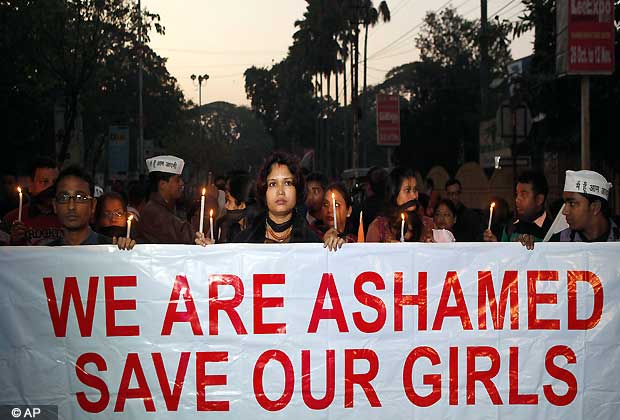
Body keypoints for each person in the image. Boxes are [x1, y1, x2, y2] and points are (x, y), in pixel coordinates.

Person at [223, 151, 321, 244]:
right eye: (273, 184)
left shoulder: (312, 243)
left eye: (287, 183)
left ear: (297, 189)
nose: (280, 191)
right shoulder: (243, 241)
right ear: (264, 191)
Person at [49, 166, 134, 249]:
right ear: (55, 205)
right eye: (64, 198)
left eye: (80, 197)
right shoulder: (45, 254)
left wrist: (126, 252)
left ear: (93, 205)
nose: (71, 206)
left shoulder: (110, 248)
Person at [135, 155, 201, 244]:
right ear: (162, 184)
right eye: (177, 180)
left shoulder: (162, 207)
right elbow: (188, 235)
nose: (182, 183)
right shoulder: (154, 213)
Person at [3, 157, 63, 245]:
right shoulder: (11, 219)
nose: (51, 187)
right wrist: (13, 241)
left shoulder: (67, 217)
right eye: (44, 181)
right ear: (31, 185)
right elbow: (4, 255)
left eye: (55, 182)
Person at [483, 171, 552, 244]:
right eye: (517, 194)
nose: (517, 199)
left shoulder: (552, 231)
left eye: (523, 195)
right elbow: (504, 254)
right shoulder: (511, 227)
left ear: (539, 199)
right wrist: (495, 246)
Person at [551, 170, 618, 242]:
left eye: (572, 204)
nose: (564, 211)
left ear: (595, 207)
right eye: (565, 203)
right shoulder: (559, 243)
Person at [366, 167, 421, 243]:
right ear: (393, 193)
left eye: (415, 190)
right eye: (407, 190)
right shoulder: (378, 227)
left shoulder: (427, 224)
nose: (414, 196)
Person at [216, 172, 255, 243]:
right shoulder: (230, 227)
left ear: (242, 205)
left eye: (229, 201)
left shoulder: (261, 231)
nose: (226, 206)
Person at [320, 182, 357, 250]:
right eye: (325, 204)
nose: (329, 210)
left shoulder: (356, 242)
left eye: (336, 205)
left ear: (349, 211)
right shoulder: (311, 236)